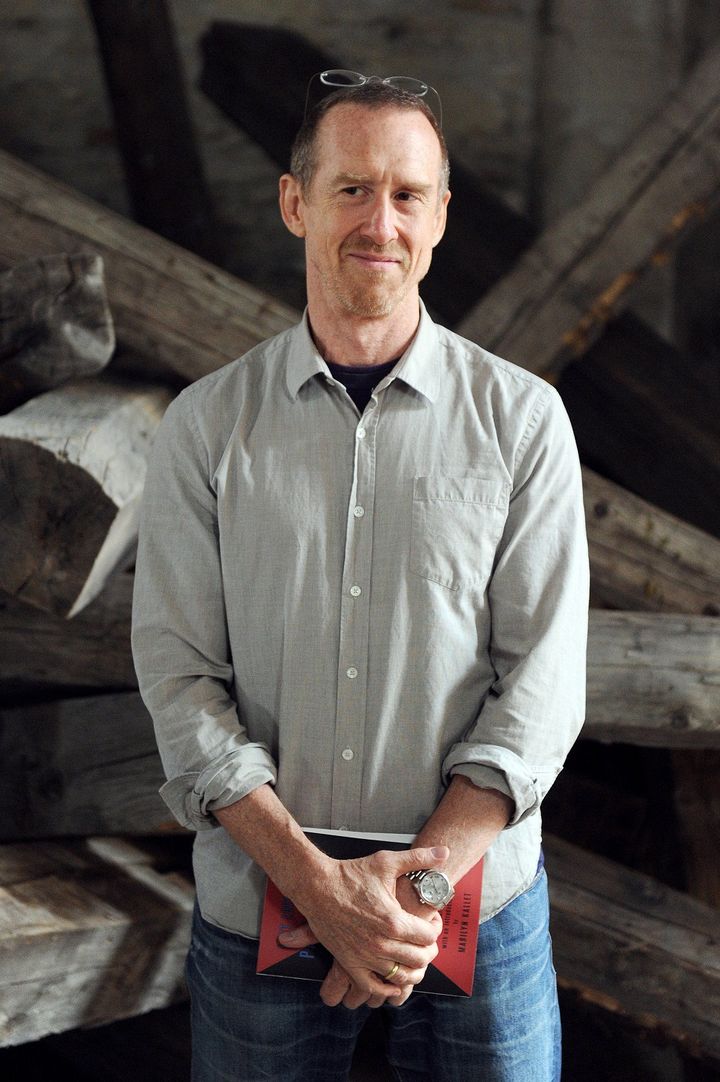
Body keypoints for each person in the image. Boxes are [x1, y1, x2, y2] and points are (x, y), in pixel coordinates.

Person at [132, 73, 589, 1082]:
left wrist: (411, 891)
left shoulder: (523, 422)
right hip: (264, 892)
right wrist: (321, 891)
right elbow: (179, 678)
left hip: (480, 904)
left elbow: (545, 687)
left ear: (438, 217)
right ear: (296, 201)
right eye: (350, 189)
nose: (378, 219)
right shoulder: (207, 427)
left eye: (406, 192)